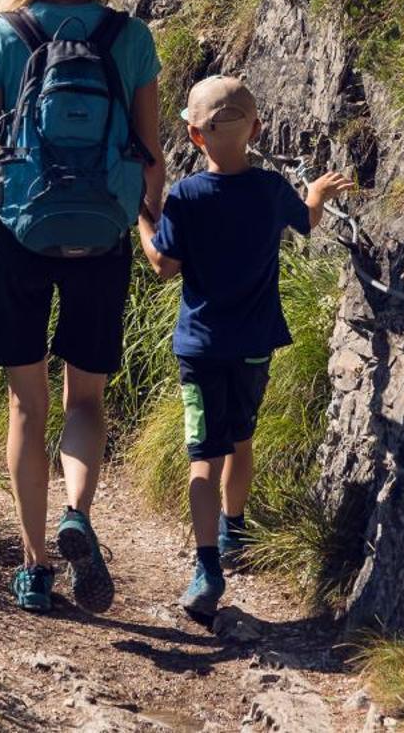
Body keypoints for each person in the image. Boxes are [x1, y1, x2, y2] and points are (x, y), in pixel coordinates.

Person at [0, 0, 164, 615]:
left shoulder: (2, 35)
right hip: (101, 233)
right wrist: (150, 226)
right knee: (87, 398)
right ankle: (78, 510)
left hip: (21, 232)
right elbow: (152, 158)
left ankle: (36, 565)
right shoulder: (130, 37)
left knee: (24, 404)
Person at [134, 75, 353, 623]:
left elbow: (163, 267)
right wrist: (318, 194)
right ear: (256, 129)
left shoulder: (184, 198)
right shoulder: (271, 190)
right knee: (242, 439)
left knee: (202, 458)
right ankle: (235, 529)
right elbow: (305, 221)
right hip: (256, 344)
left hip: (201, 349)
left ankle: (208, 566)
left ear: (192, 135)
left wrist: (139, 217)